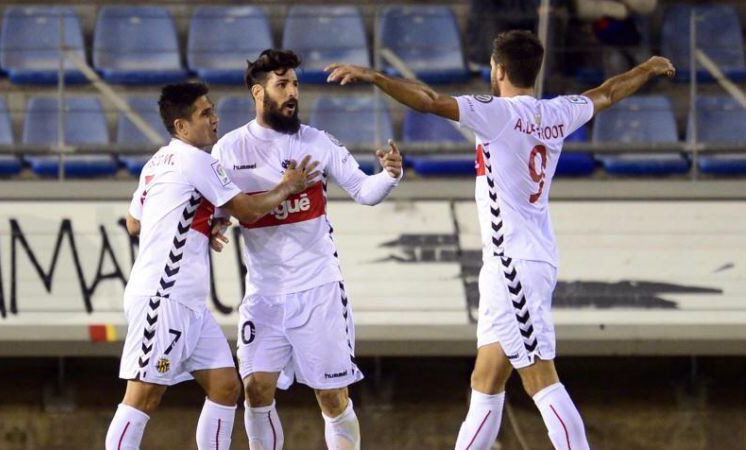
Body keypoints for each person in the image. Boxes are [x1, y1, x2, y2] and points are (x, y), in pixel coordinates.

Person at [325, 30, 674, 450]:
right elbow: (608, 92)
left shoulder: (496, 113)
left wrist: (374, 76)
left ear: (499, 70)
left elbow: (430, 100)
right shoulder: (558, 111)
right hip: (520, 260)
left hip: (514, 264)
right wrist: (648, 68)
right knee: (485, 382)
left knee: (540, 378)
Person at [105, 82, 320, 450]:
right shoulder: (196, 160)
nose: (215, 119)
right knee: (142, 396)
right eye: (205, 114)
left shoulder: (157, 161)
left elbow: (134, 222)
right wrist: (288, 185)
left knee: (225, 386)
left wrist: (198, 224)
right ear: (181, 126)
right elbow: (250, 210)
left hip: (188, 303)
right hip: (163, 296)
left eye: (212, 110)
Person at [211, 49, 403, 450]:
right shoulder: (229, 151)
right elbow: (216, 208)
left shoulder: (318, 142)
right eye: (282, 85)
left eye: (295, 84)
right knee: (256, 391)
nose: (293, 92)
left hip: (317, 290)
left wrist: (388, 176)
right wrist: (215, 224)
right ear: (257, 93)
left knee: (332, 397)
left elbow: (364, 191)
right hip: (263, 294)